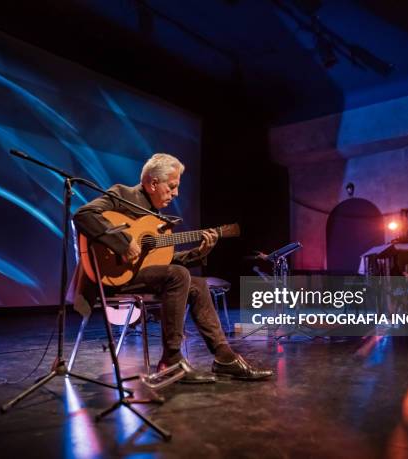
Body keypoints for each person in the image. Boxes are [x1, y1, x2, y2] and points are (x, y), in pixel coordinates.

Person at [73, 153, 272, 382]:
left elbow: (161, 261)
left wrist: (198, 254)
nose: (175, 193)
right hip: (111, 276)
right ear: (153, 183)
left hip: (139, 275)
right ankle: (172, 359)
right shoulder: (123, 194)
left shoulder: (156, 218)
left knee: (197, 283)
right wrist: (123, 243)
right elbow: (84, 215)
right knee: (178, 275)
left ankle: (224, 358)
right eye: (172, 186)